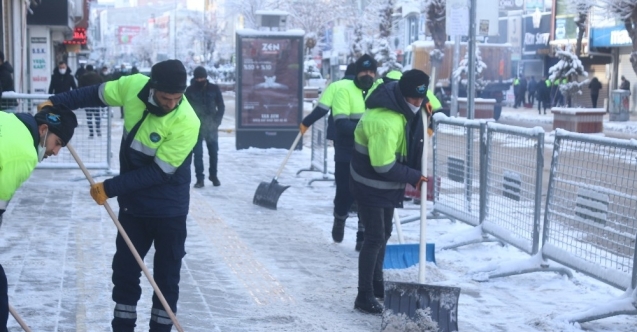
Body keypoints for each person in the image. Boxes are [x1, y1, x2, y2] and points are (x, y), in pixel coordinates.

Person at [38, 59, 199, 332]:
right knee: (125, 272)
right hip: (134, 208)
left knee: (166, 278)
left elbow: (158, 174)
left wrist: (110, 188)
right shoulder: (133, 86)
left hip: (169, 210)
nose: (171, 104)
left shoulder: (187, 122)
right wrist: (56, 102)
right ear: (152, 87)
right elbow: (93, 94)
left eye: (177, 98)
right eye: (165, 97)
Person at [349, 69, 429, 314]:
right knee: (374, 237)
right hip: (370, 184)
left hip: (383, 186)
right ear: (402, 95)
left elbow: (426, 100)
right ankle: (364, 295)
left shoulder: (401, 104)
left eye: (421, 99)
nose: (417, 103)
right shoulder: (386, 121)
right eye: (414, 99)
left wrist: (429, 110)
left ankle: (376, 284)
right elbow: (383, 166)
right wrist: (413, 176)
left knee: (384, 233)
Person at [0, 104, 77, 330]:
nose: (55, 152)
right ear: (43, 130)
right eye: (58, 143)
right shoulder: (23, 155)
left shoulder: (8, 120)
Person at [330, 54, 378, 250]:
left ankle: (362, 234)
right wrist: (367, 130)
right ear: (356, 73)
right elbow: (341, 123)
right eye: (363, 71)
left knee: (365, 196)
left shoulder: (379, 91)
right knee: (345, 192)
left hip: (370, 153)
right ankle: (340, 218)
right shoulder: (344, 91)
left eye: (370, 71)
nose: (367, 75)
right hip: (346, 151)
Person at [185, 66, 225, 188]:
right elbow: (185, 109)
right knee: (198, 154)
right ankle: (199, 179)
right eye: (198, 78)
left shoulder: (214, 88)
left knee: (213, 153)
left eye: (202, 77)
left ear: (206, 77)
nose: (200, 80)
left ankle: (213, 176)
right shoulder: (190, 90)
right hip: (196, 127)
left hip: (211, 126)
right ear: (195, 78)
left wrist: (217, 121)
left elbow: (221, 106)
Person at [299, 63, 356, 140]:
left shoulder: (335, 86)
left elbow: (322, 109)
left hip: (338, 132)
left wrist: (306, 123)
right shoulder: (366, 88)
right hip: (359, 133)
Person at [78, 65, 105, 137]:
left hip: (87, 100)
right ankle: (98, 130)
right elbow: (102, 86)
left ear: (86, 69)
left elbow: (80, 89)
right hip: (96, 99)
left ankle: (91, 132)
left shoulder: (83, 77)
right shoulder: (98, 76)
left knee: (89, 117)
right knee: (97, 116)